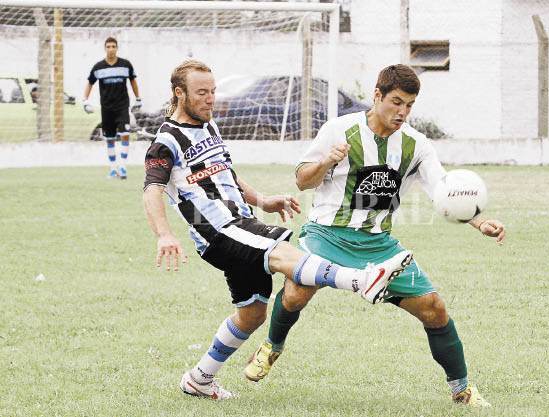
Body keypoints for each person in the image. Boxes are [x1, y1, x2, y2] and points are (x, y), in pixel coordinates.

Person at [142, 59, 413, 400]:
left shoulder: (207, 126)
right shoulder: (165, 141)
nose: (211, 98)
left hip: (240, 223)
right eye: (201, 93)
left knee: (253, 313)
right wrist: (164, 234)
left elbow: (225, 172)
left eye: (213, 91)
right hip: (217, 230)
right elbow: (152, 188)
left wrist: (262, 199)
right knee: (285, 254)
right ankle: (361, 280)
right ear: (179, 94)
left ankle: (200, 378)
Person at [244, 64, 506, 408]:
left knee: (434, 309)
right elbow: (303, 181)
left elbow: (443, 191)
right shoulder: (339, 130)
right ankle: (271, 347)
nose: (403, 112)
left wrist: (478, 220)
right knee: (296, 291)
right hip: (327, 234)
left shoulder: (416, 145)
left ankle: (462, 390)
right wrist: (326, 162)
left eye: (410, 105)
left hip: (378, 244)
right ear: (377, 95)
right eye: (396, 102)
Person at [83, 37, 141, 179]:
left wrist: (138, 98)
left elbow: (133, 81)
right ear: (105, 48)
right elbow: (90, 83)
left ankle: (122, 166)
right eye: (108, 46)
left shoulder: (125, 65)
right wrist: (85, 100)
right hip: (106, 108)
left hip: (122, 107)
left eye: (113, 46)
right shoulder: (98, 67)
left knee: (125, 135)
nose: (111, 49)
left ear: (117, 48)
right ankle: (113, 168)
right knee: (109, 139)